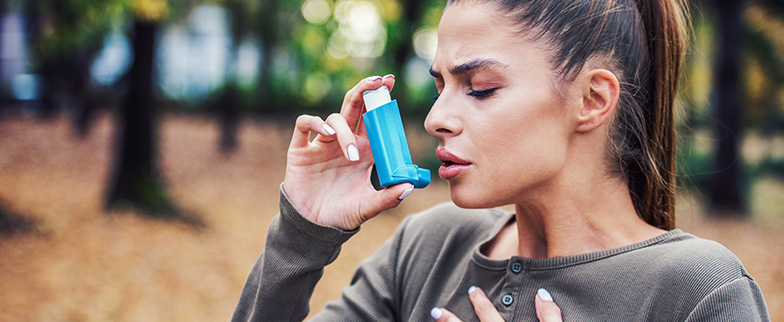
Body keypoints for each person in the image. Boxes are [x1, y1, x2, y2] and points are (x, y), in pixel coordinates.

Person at [232, 0, 771, 320]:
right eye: (440, 85)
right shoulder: (427, 248)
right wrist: (302, 235)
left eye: (481, 87)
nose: (435, 118)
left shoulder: (698, 291)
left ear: (592, 100)